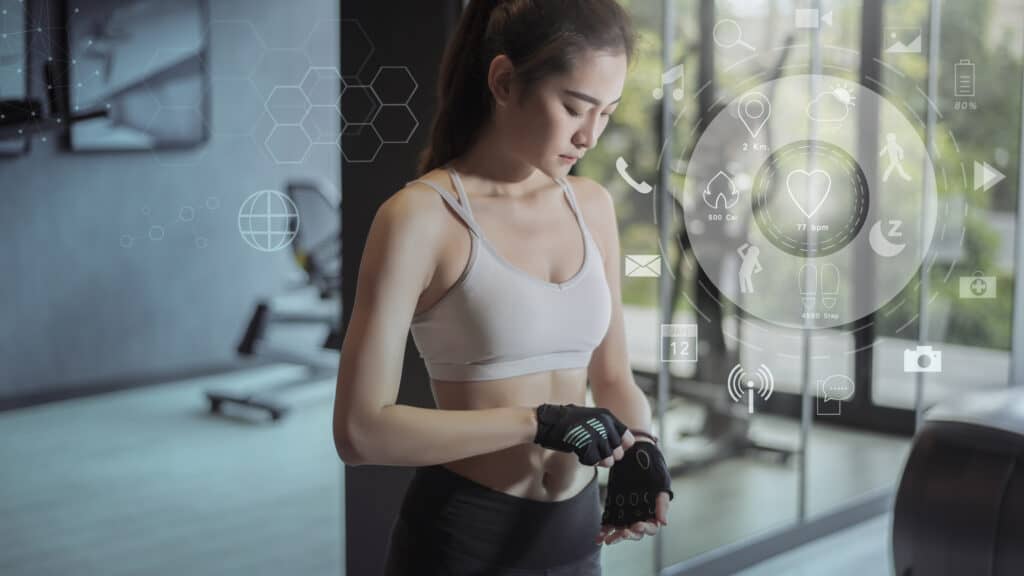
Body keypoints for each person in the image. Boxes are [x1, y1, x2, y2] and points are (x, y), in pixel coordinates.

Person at [333, 1, 674, 574]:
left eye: (607, 114)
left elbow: (613, 377)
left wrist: (641, 444)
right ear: (504, 81)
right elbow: (360, 432)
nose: (590, 136)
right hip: (462, 542)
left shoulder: (591, 206)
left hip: (576, 538)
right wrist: (536, 421)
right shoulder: (421, 218)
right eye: (573, 107)